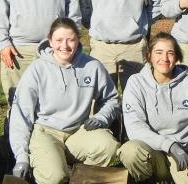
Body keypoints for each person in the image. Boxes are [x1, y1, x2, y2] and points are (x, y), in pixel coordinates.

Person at [8, 18, 120, 184]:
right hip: (47, 132)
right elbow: (21, 114)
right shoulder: (37, 69)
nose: (65, 46)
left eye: (71, 40)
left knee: (108, 146)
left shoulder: (92, 66)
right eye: (59, 40)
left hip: (79, 131)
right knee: (54, 177)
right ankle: (51, 168)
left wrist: (101, 118)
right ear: (50, 41)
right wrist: (21, 156)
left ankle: (79, 178)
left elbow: (111, 99)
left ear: (78, 40)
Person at [117, 32, 188, 183]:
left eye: (170, 53)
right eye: (158, 52)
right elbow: (134, 127)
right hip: (153, 153)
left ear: (177, 57)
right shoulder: (136, 83)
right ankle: (146, 180)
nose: (164, 58)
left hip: (187, 155)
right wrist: (170, 146)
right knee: (130, 151)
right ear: (149, 56)